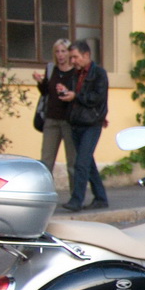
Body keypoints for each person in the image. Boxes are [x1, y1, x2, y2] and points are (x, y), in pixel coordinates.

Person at [61, 40, 109, 212]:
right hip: (76, 122)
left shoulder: (99, 74)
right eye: (71, 57)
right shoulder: (75, 74)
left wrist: (75, 96)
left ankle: (77, 200)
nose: (72, 61)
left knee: (81, 162)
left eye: (75, 57)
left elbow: (96, 98)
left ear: (86, 55)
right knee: (88, 162)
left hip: (92, 122)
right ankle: (101, 198)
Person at [35, 40, 78, 182]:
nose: (60, 55)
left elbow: (79, 94)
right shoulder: (51, 68)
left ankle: (76, 197)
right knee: (46, 162)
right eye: (57, 51)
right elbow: (46, 92)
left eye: (63, 51)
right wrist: (40, 82)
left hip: (69, 121)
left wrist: (67, 92)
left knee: (72, 162)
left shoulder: (76, 71)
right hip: (51, 119)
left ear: (69, 53)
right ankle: (44, 192)